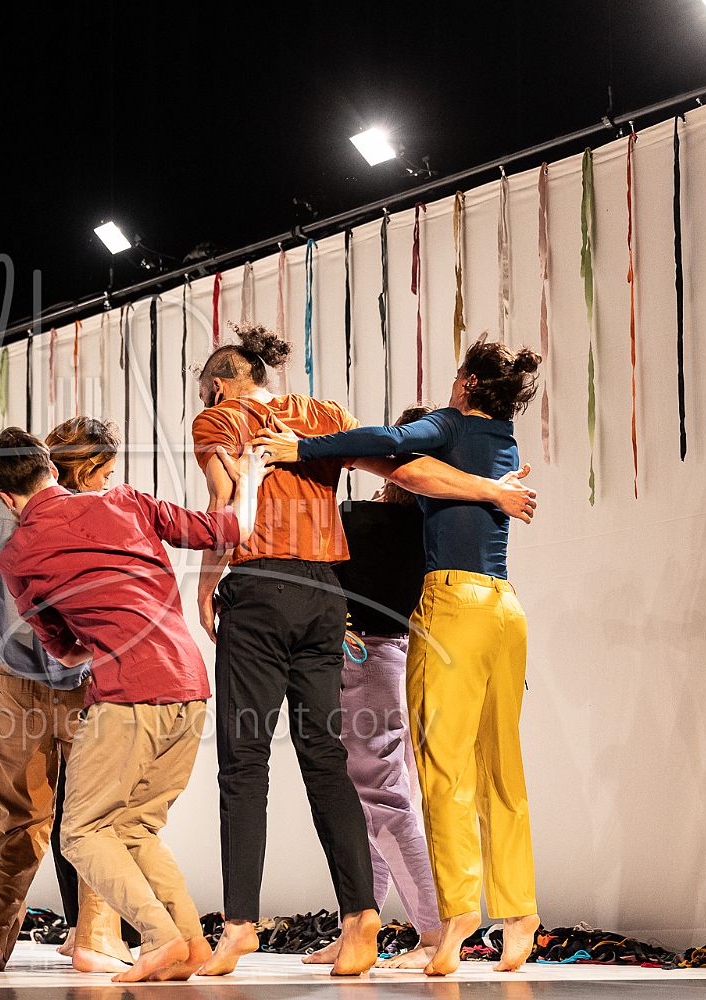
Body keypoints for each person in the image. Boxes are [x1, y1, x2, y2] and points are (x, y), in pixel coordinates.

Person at [189, 324, 537, 977]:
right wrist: (492, 489)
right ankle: (369, 919)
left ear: (218, 384)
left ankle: (242, 927)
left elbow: (226, 502)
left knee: (249, 761)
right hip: (349, 598)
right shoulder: (330, 416)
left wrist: (208, 582)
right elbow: (407, 469)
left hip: (273, 589)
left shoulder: (220, 419)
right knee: (338, 761)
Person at [0, 427, 266, 983]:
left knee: (80, 832)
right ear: (51, 470)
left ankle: (158, 937)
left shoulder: (18, 553)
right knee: (134, 827)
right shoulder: (127, 500)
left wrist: (105, 632)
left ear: (5, 498)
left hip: (129, 693)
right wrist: (249, 478)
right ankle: (191, 944)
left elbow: (65, 649)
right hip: (190, 683)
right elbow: (229, 529)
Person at [0, 417, 129, 973]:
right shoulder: (94, 511)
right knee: (97, 816)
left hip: (15, 687)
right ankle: (95, 937)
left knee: (15, 818)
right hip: (89, 685)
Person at [314, 403, 442, 971]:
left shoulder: (365, 521)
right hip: (403, 659)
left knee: (380, 798)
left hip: (365, 658)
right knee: (376, 800)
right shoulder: (436, 527)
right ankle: (358, 926)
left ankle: (434, 932)